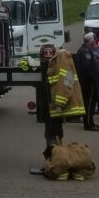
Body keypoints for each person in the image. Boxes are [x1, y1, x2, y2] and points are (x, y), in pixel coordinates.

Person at [31, 45, 85, 176]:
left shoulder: (61, 63)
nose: (48, 54)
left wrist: (59, 104)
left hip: (56, 108)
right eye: (45, 53)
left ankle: (55, 163)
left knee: (52, 134)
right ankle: (57, 162)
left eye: (50, 52)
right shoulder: (55, 64)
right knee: (53, 133)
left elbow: (65, 84)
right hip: (53, 107)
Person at [73, 36, 99, 131]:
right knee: (89, 103)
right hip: (88, 82)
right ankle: (88, 124)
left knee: (89, 103)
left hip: (86, 81)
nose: (95, 42)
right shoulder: (85, 51)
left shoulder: (84, 50)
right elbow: (87, 67)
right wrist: (93, 78)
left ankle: (90, 121)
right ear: (91, 41)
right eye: (94, 40)